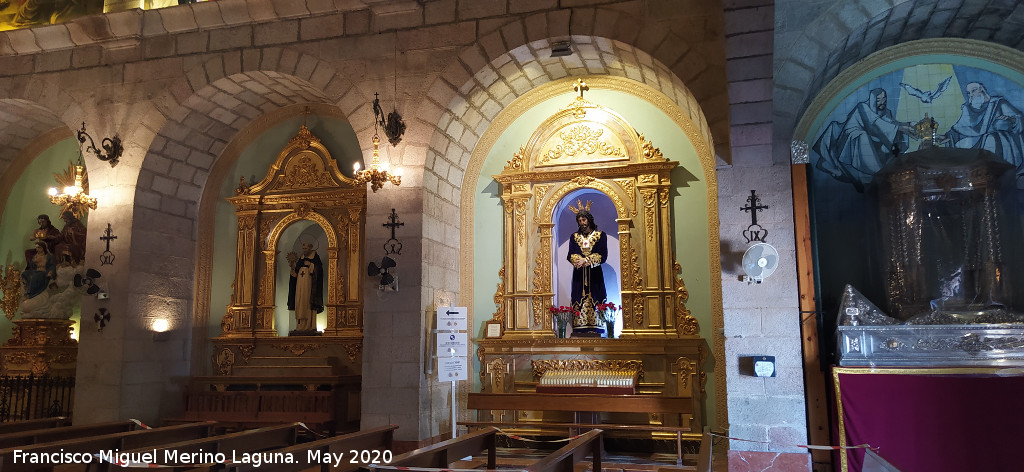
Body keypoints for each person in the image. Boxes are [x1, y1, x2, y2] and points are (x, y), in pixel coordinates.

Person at [812, 88, 918, 191]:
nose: (882, 102)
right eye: (878, 100)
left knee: (890, 141)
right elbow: (874, 123)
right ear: (872, 100)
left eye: (884, 98)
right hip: (851, 136)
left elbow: (892, 124)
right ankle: (878, 173)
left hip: (873, 140)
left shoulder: (886, 112)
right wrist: (900, 128)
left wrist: (907, 125)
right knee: (863, 137)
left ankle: (878, 174)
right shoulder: (862, 106)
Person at [939, 82, 1024, 175]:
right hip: (978, 144)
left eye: (973, 91)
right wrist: (948, 136)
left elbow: (1019, 118)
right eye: (968, 93)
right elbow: (961, 127)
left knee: (991, 139)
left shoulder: (998, 103)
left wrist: (1010, 120)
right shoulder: (967, 109)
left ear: (981, 89)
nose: (971, 95)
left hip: (999, 143)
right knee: (962, 145)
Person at [567, 210, 608, 321]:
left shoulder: (600, 235)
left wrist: (586, 260)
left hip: (595, 274)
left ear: (589, 220)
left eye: (584, 220)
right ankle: (579, 325)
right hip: (579, 274)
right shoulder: (574, 237)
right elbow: (570, 254)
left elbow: (603, 255)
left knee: (596, 295)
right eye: (579, 221)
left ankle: (597, 324)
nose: (582, 223)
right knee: (578, 296)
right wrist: (577, 261)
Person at [287, 241, 324, 332]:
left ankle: (309, 326)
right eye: (303, 249)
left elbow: (319, 271)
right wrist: (292, 267)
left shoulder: (315, 258)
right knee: (300, 302)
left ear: (310, 248)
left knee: (307, 302)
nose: (304, 250)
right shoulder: (301, 258)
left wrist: (311, 265)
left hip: (309, 287)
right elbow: (295, 274)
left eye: (306, 248)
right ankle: (300, 326)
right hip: (300, 286)